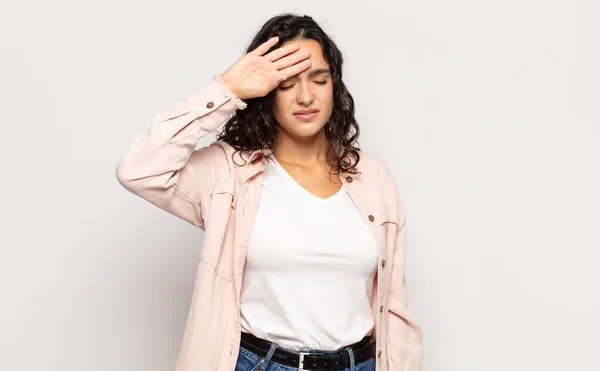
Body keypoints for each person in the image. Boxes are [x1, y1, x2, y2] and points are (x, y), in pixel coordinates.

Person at [116, 13, 422, 371]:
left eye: (318, 80)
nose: (305, 96)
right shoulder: (228, 174)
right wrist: (226, 89)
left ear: (334, 87)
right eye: (286, 84)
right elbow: (138, 169)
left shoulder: (373, 177)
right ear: (266, 93)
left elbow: (396, 307)